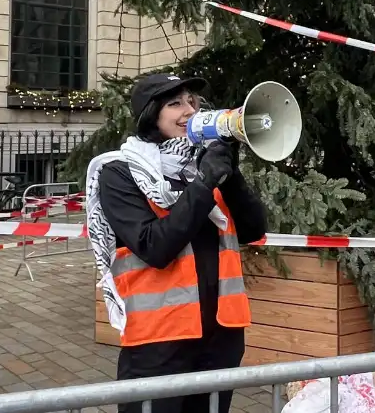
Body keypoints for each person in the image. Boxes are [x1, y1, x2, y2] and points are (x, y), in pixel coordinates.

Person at [85, 73, 268, 413]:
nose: (190, 109)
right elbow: (155, 247)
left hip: (221, 336)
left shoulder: (201, 163)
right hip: (159, 341)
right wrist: (205, 182)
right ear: (150, 114)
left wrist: (232, 177)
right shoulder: (120, 172)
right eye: (175, 103)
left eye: (192, 101)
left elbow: (253, 229)